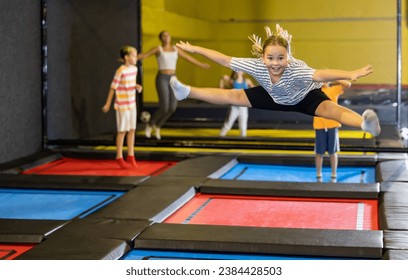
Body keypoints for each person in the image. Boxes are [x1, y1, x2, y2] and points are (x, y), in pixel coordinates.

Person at [169, 24, 381, 138]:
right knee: (232, 96)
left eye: (281, 58)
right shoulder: (258, 65)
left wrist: (349, 73)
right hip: (273, 95)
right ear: (263, 57)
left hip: (304, 96)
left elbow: (320, 75)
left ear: (287, 56)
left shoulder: (295, 68)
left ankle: (364, 124)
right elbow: (224, 59)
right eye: (270, 58)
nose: (275, 63)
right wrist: (195, 49)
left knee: (331, 110)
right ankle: (186, 91)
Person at [137, 30, 210, 140]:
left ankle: (157, 126)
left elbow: (188, 57)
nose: (167, 37)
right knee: (164, 107)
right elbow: (144, 55)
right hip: (162, 78)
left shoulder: (176, 49)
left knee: (172, 108)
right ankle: (150, 124)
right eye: (164, 35)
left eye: (168, 35)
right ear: (161, 38)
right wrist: (129, 58)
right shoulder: (158, 49)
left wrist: (201, 64)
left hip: (173, 78)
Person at [102, 46, 142, 169]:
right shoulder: (121, 70)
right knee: (122, 131)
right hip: (122, 105)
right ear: (126, 57)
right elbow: (113, 87)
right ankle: (119, 156)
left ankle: (131, 154)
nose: (136, 58)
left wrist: (136, 86)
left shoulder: (134, 69)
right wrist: (108, 104)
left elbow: (129, 83)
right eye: (134, 55)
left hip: (132, 104)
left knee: (132, 130)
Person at [314, 80, 351, 182]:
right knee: (319, 152)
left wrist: (336, 78)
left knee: (333, 151)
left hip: (332, 124)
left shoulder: (334, 90)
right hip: (320, 125)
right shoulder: (315, 91)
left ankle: (334, 173)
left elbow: (348, 84)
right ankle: (318, 173)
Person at [219, 71, 254, 137]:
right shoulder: (232, 81)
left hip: (243, 106)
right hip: (234, 106)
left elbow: (253, 88)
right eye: (237, 70)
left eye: (240, 70)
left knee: (243, 126)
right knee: (229, 124)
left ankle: (243, 139)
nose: (239, 71)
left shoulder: (247, 81)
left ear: (243, 72)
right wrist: (221, 81)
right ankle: (221, 136)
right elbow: (223, 79)